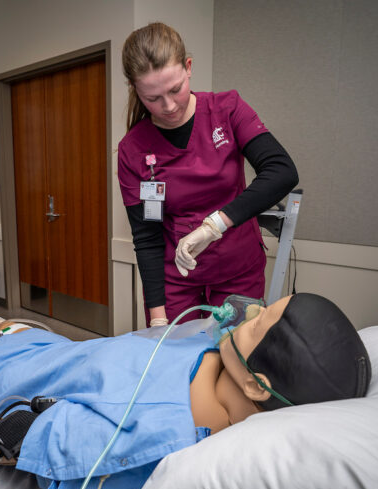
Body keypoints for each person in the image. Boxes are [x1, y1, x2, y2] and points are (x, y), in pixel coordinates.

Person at [0, 292, 371, 489]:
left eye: (260, 321)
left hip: (10, 378)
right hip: (57, 349)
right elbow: (226, 315)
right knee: (3, 327)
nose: (250, 311)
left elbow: (39, 441)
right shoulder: (221, 353)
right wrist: (239, 318)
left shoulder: (150, 436)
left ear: (259, 385)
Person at [117, 22, 299, 327]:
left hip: (238, 271)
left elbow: (282, 171)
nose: (169, 105)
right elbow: (146, 237)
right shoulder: (133, 149)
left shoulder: (226, 110)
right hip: (177, 281)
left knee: (233, 360)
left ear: (188, 67)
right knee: (176, 366)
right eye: (153, 98)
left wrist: (214, 225)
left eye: (175, 89)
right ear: (136, 90)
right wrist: (158, 317)